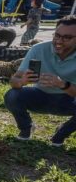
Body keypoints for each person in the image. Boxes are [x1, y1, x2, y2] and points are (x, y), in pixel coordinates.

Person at [4, 15, 76, 147]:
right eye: (57, 35)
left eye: (67, 37)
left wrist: (62, 84)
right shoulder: (39, 49)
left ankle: (60, 134)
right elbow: (14, 80)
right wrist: (21, 81)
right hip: (40, 95)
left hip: (68, 100)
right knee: (12, 95)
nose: (59, 41)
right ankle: (26, 128)